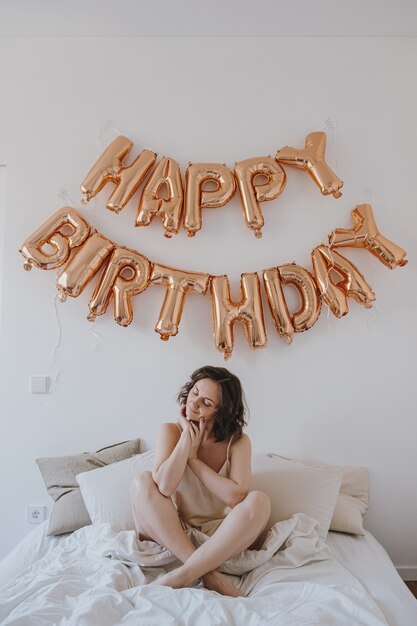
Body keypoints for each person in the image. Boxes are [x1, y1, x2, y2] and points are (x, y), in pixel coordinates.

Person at [130, 365, 271, 597]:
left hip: (220, 536)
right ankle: (208, 575)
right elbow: (164, 486)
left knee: (260, 500)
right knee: (142, 482)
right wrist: (186, 437)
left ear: (221, 412)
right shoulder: (170, 431)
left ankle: (185, 573)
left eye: (206, 403)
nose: (194, 404)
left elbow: (236, 496)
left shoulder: (238, 442)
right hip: (175, 531)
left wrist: (194, 460)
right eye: (195, 392)